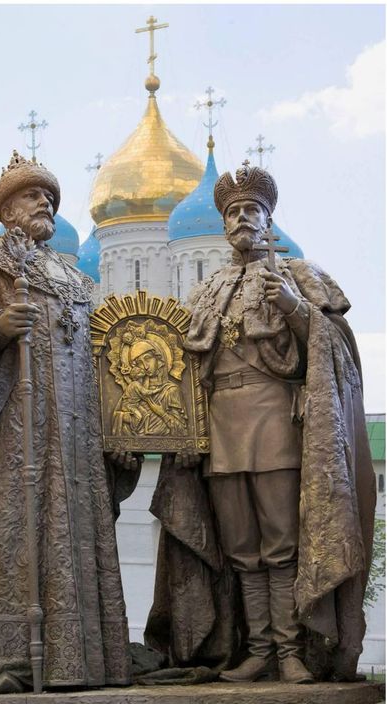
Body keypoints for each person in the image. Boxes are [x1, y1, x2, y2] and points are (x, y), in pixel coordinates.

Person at [144, 162, 376, 684]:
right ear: (224, 224)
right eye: (233, 212)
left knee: (282, 541)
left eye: (252, 209)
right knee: (241, 548)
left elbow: (333, 347)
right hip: (220, 428)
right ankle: (257, 648)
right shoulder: (206, 292)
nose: (242, 217)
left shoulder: (295, 274)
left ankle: (291, 652)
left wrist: (294, 309)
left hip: (274, 421)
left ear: (268, 219)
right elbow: (183, 369)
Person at [0, 151, 139, 693]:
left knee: (74, 531)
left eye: (50, 197)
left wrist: (122, 426)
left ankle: (85, 661)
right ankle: (8, 663)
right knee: (8, 535)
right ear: (6, 209)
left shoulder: (70, 277)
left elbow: (105, 356)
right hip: (9, 431)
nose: (45, 202)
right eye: (32, 195)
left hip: (74, 432)